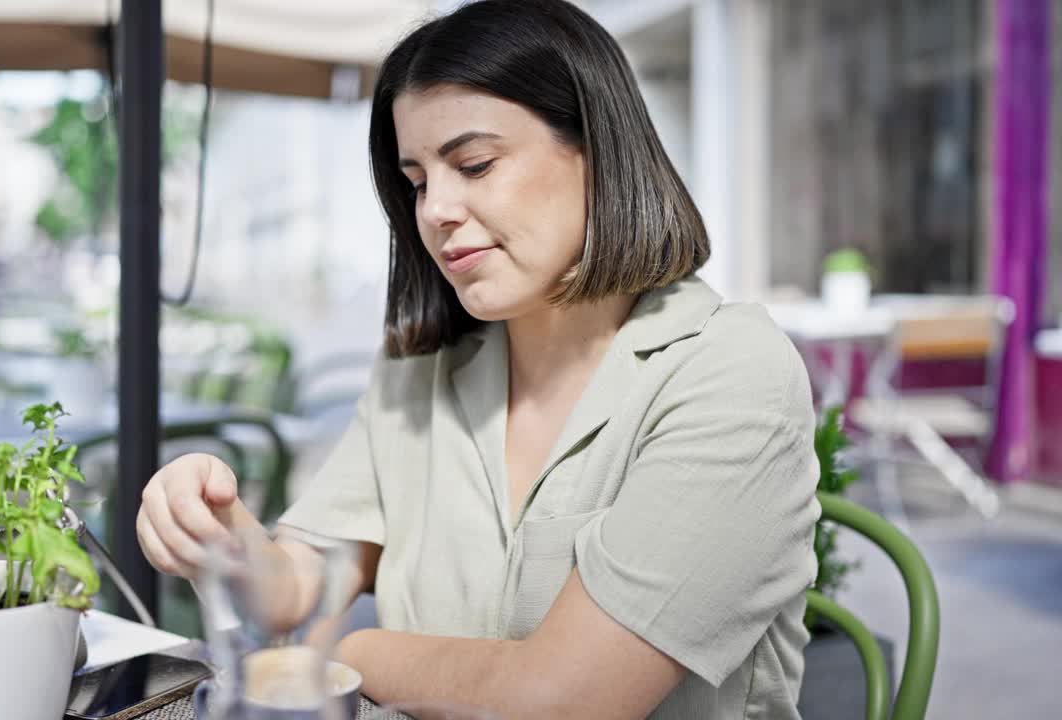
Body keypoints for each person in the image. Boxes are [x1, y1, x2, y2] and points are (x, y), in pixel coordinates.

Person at [137, 1, 819, 717]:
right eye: (418, 180)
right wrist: (216, 531)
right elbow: (297, 588)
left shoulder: (729, 372)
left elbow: (565, 699)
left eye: (475, 164)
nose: (434, 211)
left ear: (598, 149)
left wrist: (342, 654)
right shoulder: (419, 368)